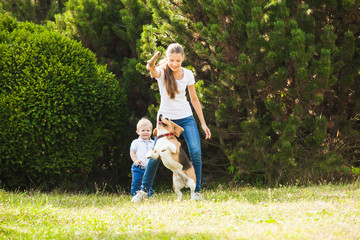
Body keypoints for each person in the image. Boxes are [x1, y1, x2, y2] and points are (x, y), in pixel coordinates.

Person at [131, 43, 211, 202]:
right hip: (166, 119)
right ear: (167, 59)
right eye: (171, 60)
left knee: (195, 152)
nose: (174, 64)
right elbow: (153, 71)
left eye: (178, 61)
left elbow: (194, 99)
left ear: (183, 59)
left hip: (186, 117)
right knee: (156, 154)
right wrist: (151, 64)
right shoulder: (162, 72)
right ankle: (144, 191)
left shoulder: (188, 74)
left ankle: (196, 192)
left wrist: (202, 123)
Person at [130, 118, 155, 197]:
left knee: (148, 183)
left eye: (148, 130)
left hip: (149, 168)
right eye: (143, 130)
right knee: (136, 182)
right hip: (138, 167)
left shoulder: (153, 143)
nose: (145, 132)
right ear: (138, 131)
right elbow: (132, 153)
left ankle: (148, 197)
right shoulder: (136, 142)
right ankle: (135, 196)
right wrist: (136, 160)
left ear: (151, 131)